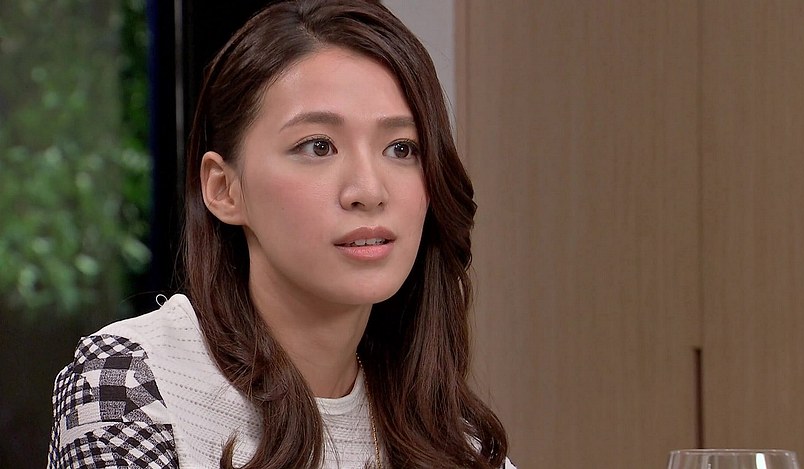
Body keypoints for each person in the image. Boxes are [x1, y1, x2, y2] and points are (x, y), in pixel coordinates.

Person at [48, 1, 515, 467]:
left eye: (401, 148)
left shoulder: (453, 438)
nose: (369, 191)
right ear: (224, 188)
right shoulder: (131, 384)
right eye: (319, 146)